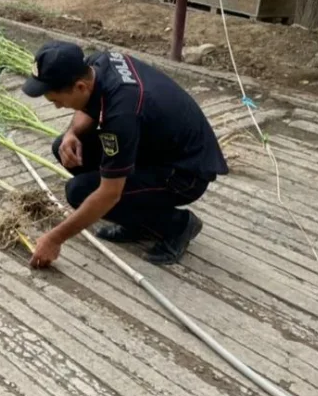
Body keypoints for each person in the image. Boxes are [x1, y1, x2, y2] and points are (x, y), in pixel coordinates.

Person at [21, 41, 228, 268]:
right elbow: (92, 106)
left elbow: (109, 194)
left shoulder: (121, 115)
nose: (57, 107)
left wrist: (54, 239)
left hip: (185, 174)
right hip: (155, 147)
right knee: (65, 146)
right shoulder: (98, 64)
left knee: (80, 192)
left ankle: (177, 225)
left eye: (56, 100)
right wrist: (72, 132)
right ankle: (138, 220)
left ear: (80, 87)